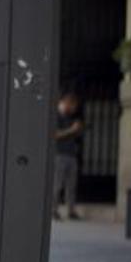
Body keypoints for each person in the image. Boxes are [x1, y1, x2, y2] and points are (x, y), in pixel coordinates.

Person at [53, 90, 85, 221]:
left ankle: (70, 210)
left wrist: (77, 130)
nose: (74, 109)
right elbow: (54, 135)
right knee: (57, 184)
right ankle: (53, 210)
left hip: (71, 155)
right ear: (67, 102)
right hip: (59, 155)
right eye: (73, 106)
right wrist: (71, 130)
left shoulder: (70, 118)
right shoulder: (56, 116)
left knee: (71, 185)